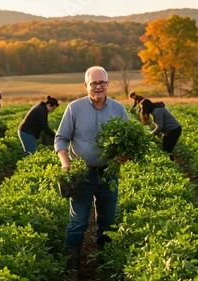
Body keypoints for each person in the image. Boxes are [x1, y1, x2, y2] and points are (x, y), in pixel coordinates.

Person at [54, 66, 129, 271]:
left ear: (107, 84)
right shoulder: (74, 108)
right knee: (78, 222)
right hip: (82, 174)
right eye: (94, 83)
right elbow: (61, 138)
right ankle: (73, 269)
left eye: (102, 83)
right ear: (86, 85)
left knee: (107, 222)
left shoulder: (118, 109)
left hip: (109, 173)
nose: (98, 87)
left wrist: (124, 155)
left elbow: (128, 140)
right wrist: (65, 161)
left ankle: (104, 265)